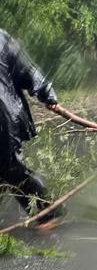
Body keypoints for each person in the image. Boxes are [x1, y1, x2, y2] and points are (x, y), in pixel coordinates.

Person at [0, 29, 63, 229]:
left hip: (3, 119)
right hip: (7, 116)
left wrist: (46, 93)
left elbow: (25, 68)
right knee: (8, 172)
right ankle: (48, 215)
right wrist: (46, 93)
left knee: (11, 170)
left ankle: (50, 215)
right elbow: (26, 68)